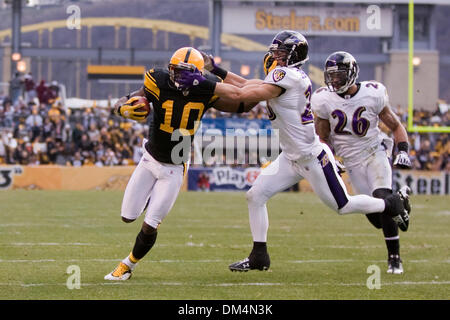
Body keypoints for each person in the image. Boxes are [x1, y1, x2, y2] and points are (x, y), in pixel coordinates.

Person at [178, 30, 411, 272]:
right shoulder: (285, 76)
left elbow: (241, 95)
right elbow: (247, 84)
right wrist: (215, 71)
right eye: (275, 51)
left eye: (280, 52)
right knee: (255, 196)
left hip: (312, 157)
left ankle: (392, 203)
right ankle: (259, 256)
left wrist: (201, 83)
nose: (275, 55)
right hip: (290, 157)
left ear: (294, 54)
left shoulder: (287, 76)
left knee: (344, 206)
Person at [104, 47, 258, 280]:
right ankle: (149, 199)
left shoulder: (207, 87)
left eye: (186, 73)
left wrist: (265, 94)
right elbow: (128, 98)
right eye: (176, 71)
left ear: (198, 74)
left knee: (150, 225)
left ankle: (127, 266)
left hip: (174, 167)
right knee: (127, 216)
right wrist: (122, 108)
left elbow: (242, 104)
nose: (178, 77)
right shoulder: (158, 79)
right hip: (149, 158)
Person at [311, 51, 412, 274]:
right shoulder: (323, 99)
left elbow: (395, 126)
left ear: (352, 73)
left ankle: (394, 258)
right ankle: (400, 201)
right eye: (331, 76)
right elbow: (323, 138)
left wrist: (403, 150)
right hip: (351, 161)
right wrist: (330, 157)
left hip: (374, 152)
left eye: (339, 75)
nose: (334, 80)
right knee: (376, 217)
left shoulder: (372, 94)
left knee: (381, 198)